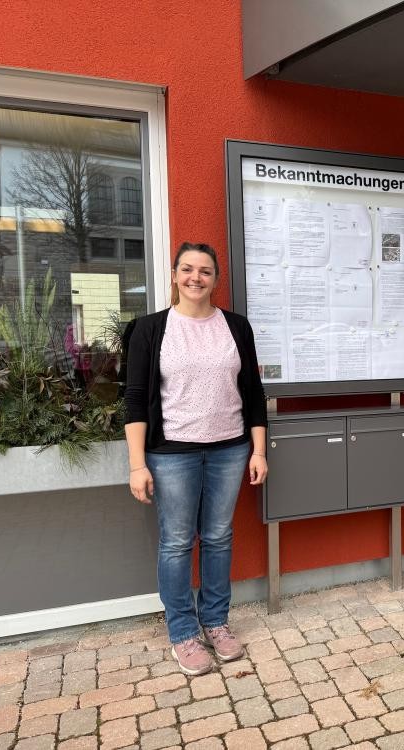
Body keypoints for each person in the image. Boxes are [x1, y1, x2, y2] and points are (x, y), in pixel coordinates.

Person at [125, 242, 269, 676]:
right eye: (187, 269)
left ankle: (216, 622)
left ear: (215, 280)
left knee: (219, 537)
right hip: (172, 454)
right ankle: (183, 633)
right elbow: (134, 400)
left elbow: (254, 395)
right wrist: (137, 464)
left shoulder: (236, 327)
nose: (196, 278)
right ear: (174, 275)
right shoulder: (150, 329)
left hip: (230, 448)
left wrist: (258, 450)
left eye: (205, 271)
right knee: (176, 541)